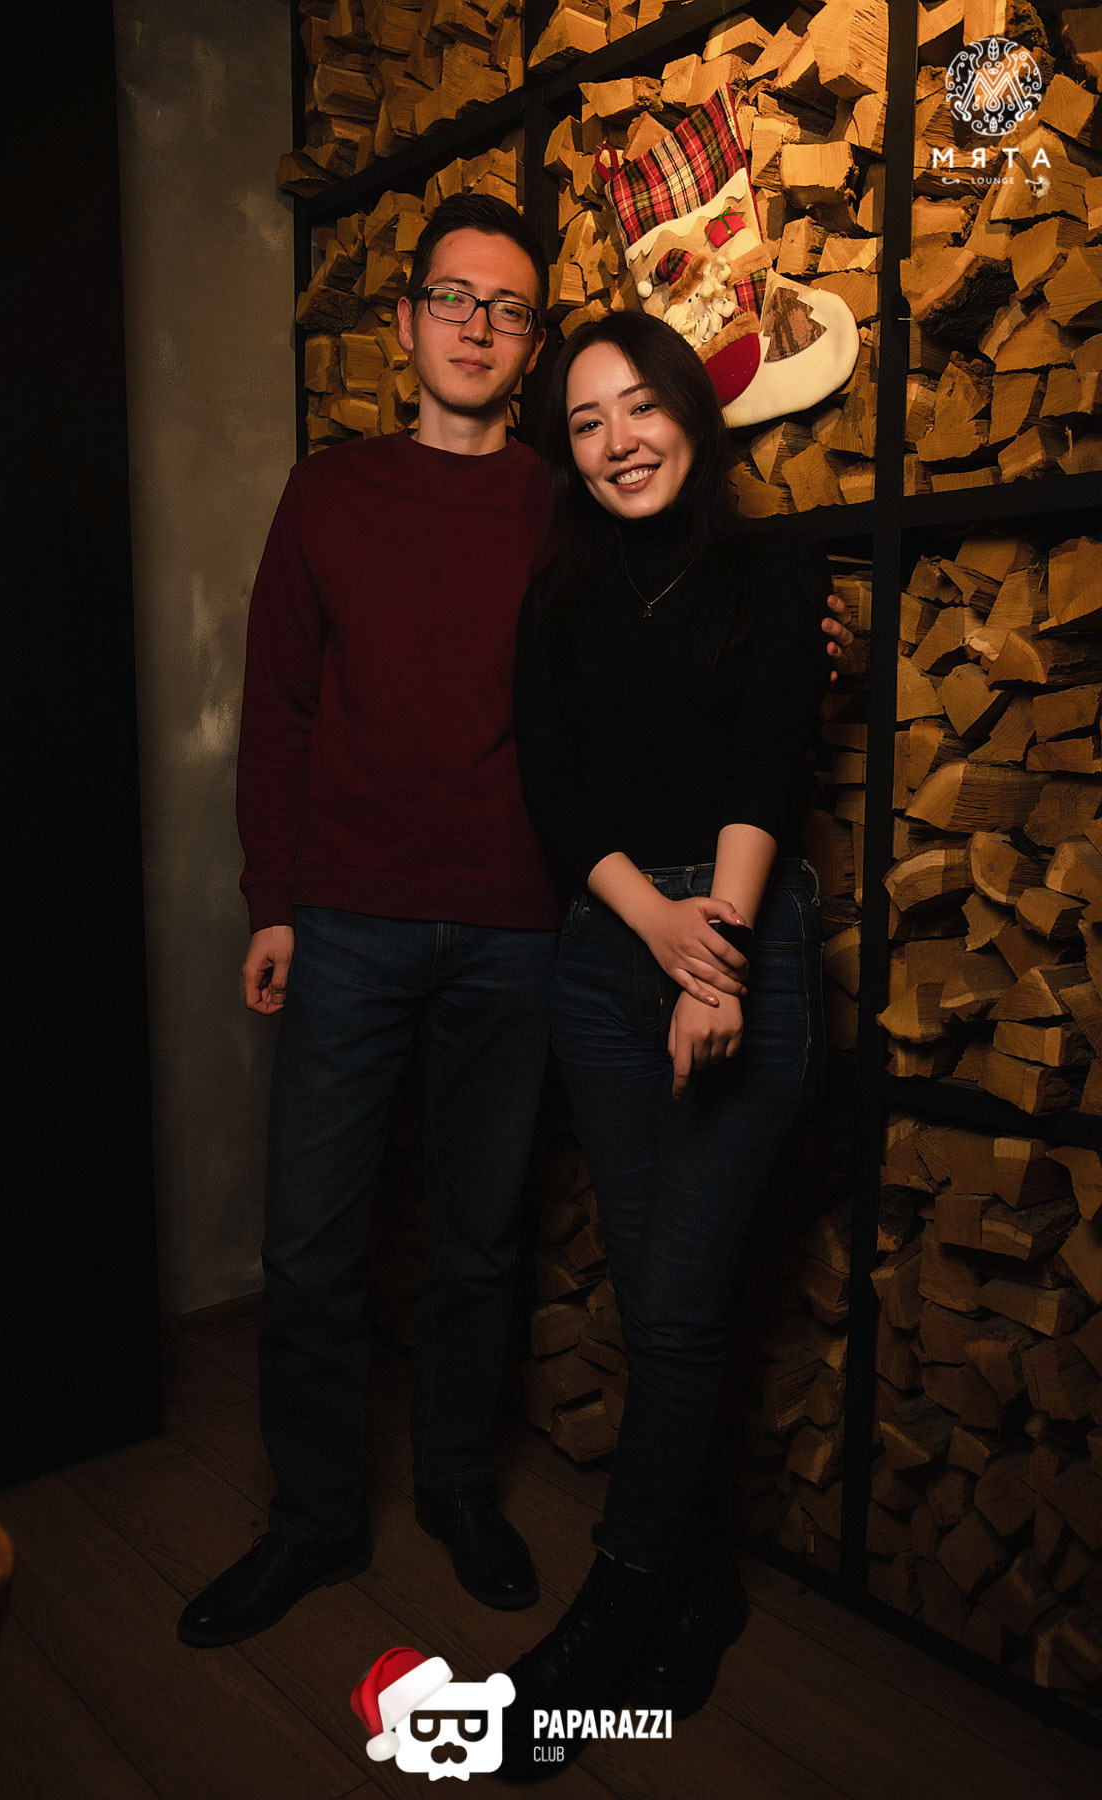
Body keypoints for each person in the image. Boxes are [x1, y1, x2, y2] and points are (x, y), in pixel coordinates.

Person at [176, 195, 853, 1651]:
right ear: (406, 320)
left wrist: (805, 632)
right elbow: (279, 709)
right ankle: (311, 1518)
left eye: (508, 308)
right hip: (347, 916)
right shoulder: (329, 491)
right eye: (453, 298)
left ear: (530, 340)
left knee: (480, 1239)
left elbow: (692, 617)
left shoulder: (571, 500)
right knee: (311, 1243)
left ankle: (458, 1488)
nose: (478, 326)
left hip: (525, 926)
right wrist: (271, 900)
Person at [501, 310, 831, 1777]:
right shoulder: (559, 591)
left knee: (684, 1309)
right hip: (606, 953)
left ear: (693, 412)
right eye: (586, 421)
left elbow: (766, 760)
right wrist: (653, 931)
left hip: (740, 938)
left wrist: (719, 957)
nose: (619, 440)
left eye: (640, 407)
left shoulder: (776, 568)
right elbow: (552, 783)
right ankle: (698, 1593)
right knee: (657, 1303)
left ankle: (617, 1605)